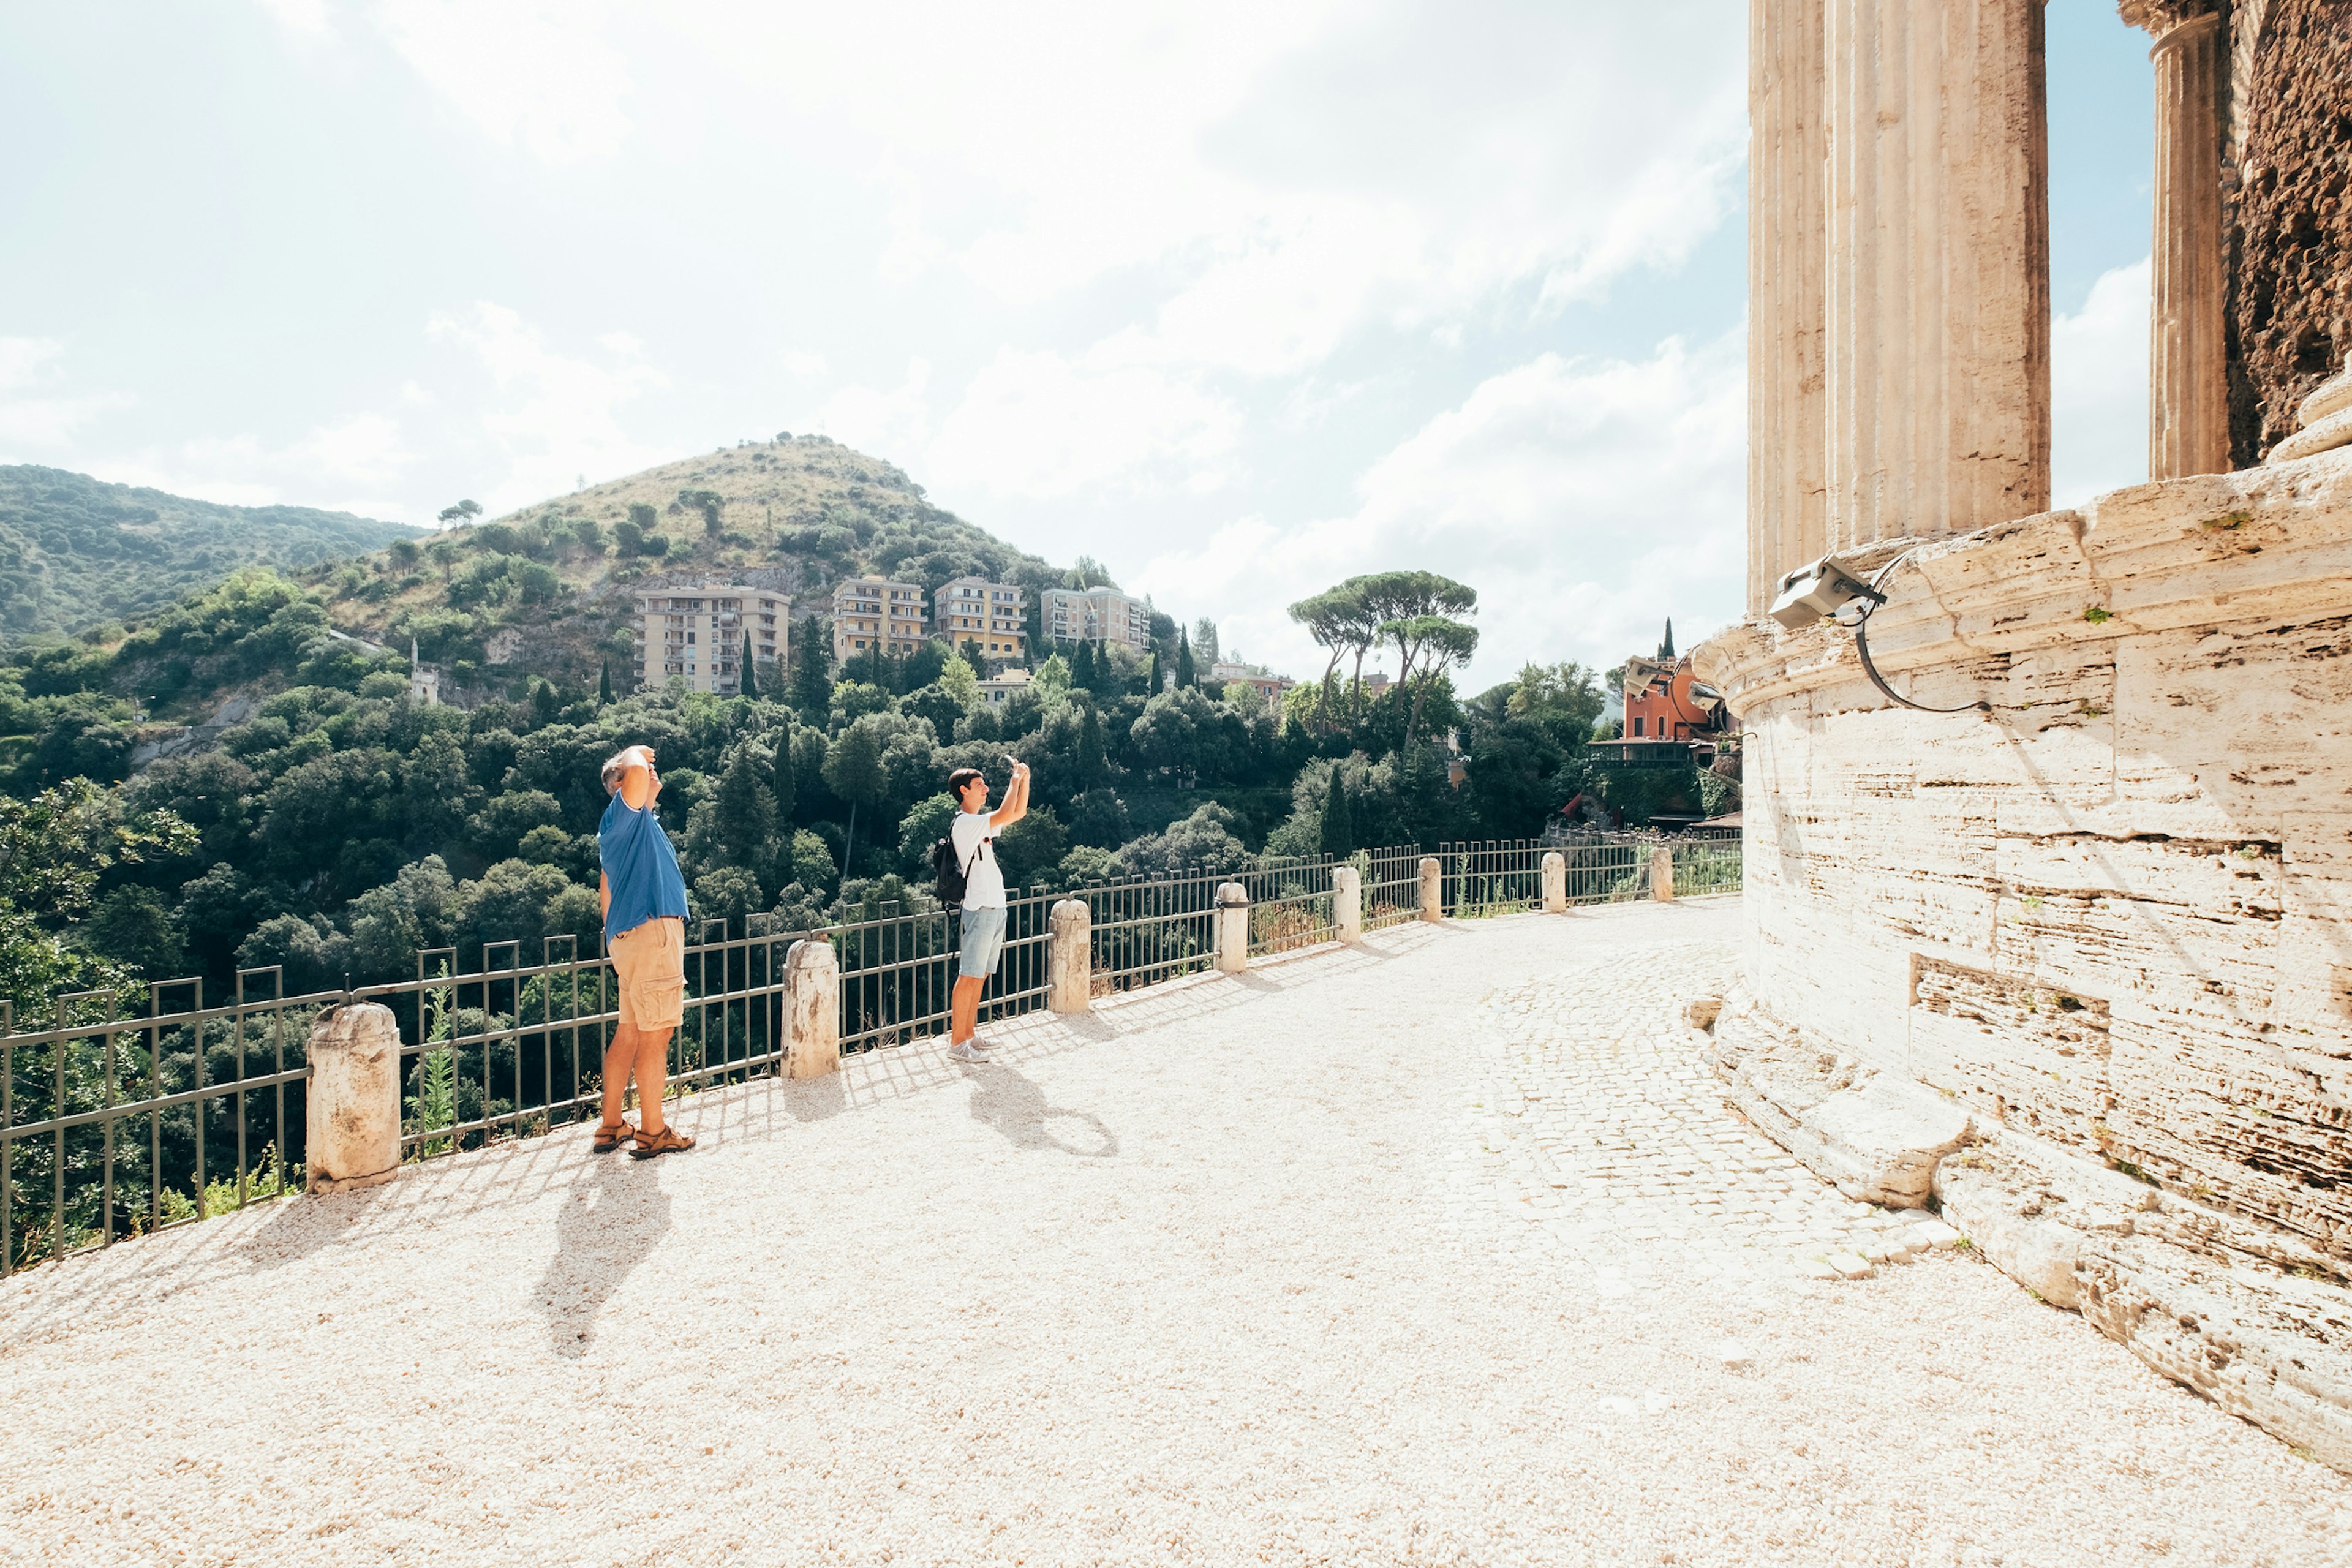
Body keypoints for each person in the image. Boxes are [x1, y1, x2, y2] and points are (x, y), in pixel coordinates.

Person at [594, 744, 696, 1159]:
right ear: (620, 784)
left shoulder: (631, 829)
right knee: (657, 1036)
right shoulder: (624, 815)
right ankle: (653, 1132)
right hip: (652, 933)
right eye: (641, 770)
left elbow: (606, 890)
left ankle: (612, 1125)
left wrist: (618, 943)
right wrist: (632, 752)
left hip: (630, 938)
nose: (652, 771)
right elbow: (635, 773)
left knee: (631, 1032)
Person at [946, 758, 1028, 1064]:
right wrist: (1014, 780)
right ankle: (957, 1044)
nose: (986, 789)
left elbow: (1018, 813)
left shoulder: (980, 822)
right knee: (968, 975)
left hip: (994, 905)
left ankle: (968, 1034)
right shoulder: (965, 824)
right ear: (964, 790)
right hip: (979, 907)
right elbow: (1007, 810)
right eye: (980, 786)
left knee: (980, 975)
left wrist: (1025, 781)